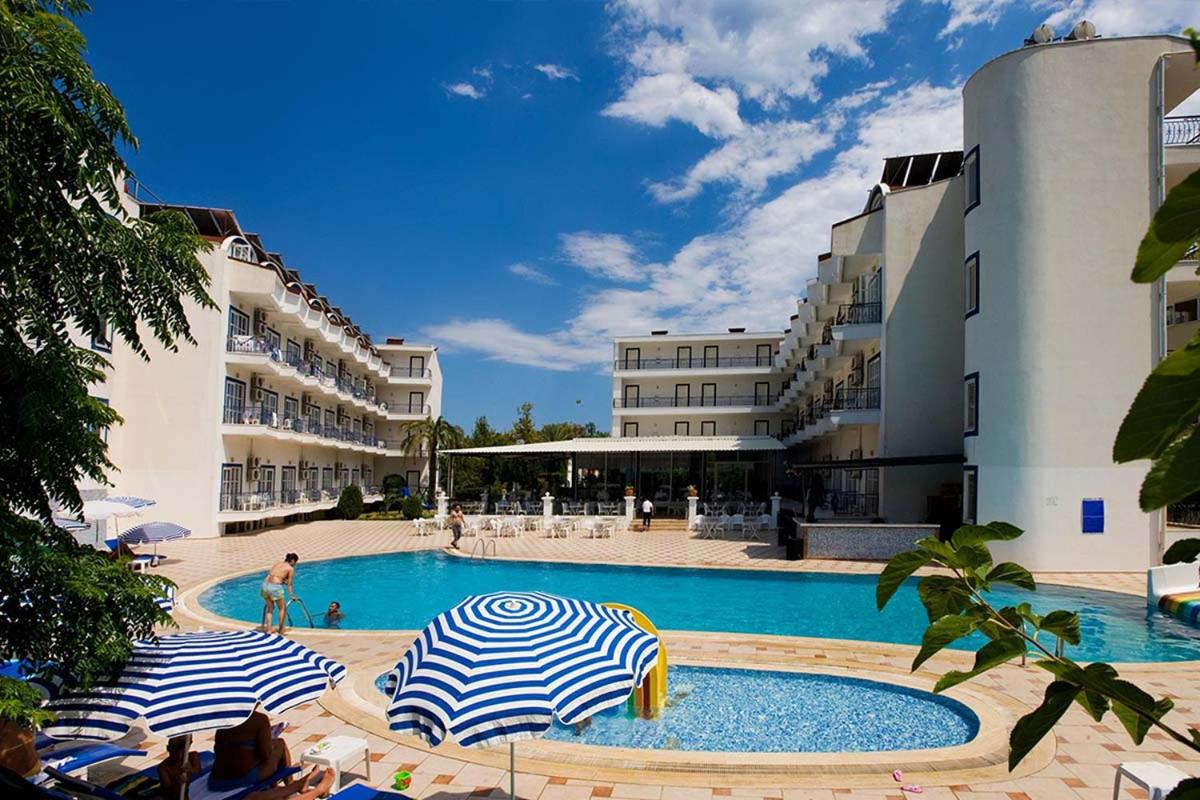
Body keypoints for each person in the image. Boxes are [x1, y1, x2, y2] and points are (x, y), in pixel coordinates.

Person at [209, 708, 291, 792]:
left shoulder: (224, 719)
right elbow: (265, 754)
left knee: (268, 748)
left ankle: (274, 787)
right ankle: (290, 786)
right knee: (280, 744)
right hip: (241, 778)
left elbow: (218, 749)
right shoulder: (260, 719)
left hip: (216, 779)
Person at [261, 553, 298, 635]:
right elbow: (290, 584)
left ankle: (269, 629)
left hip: (264, 585)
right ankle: (281, 630)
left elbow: (275, 575)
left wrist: (283, 581)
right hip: (274, 587)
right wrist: (292, 595)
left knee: (270, 608)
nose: (295, 565)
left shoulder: (277, 563)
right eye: (295, 562)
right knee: (282, 608)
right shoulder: (290, 568)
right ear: (292, 561)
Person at [158, 735, 202, 800]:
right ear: (168, 748)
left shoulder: (193, 756)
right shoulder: (164, 767)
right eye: (174, 753)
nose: (179, 757)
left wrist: (191, 770)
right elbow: (167, 791)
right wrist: (177, 783)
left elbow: (199, 771)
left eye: (183, 753)